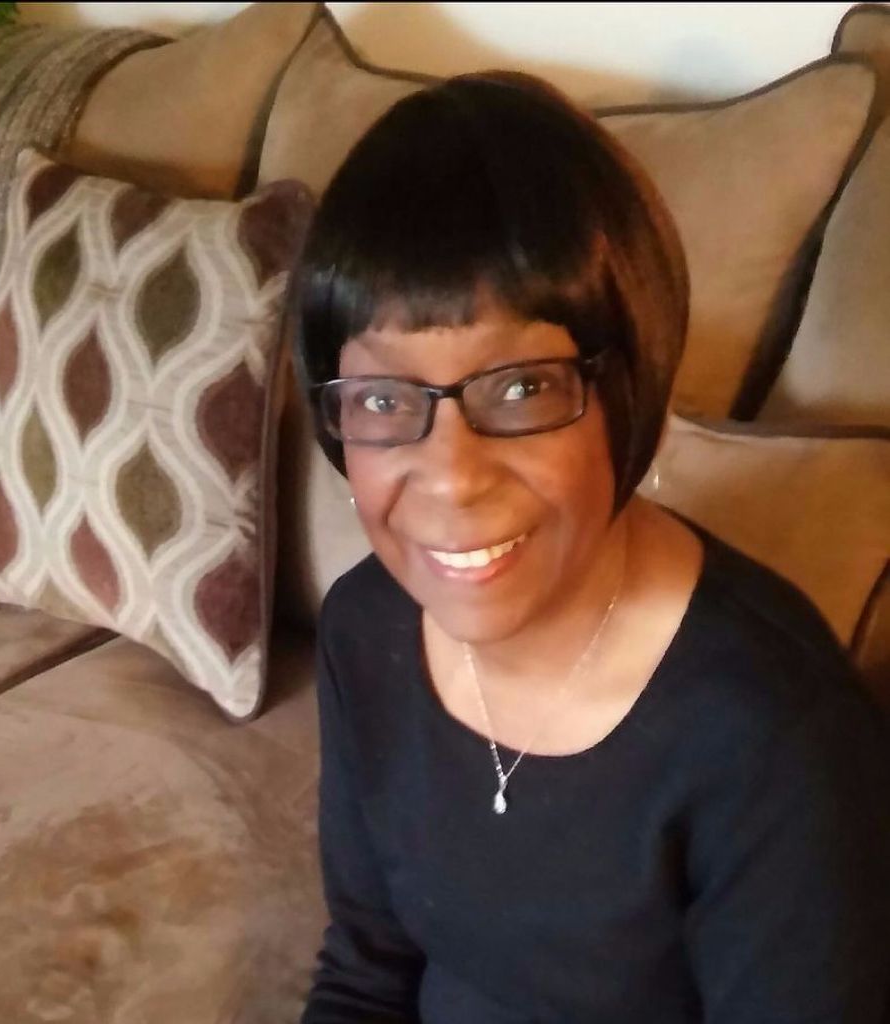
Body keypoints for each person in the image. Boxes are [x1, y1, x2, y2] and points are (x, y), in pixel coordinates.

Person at [293, 70, 890, 1024]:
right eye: (382, 398)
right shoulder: (362, 628)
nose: (451, 476)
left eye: (521, 387)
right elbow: (367, 970)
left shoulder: (776, 740)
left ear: (626, 389)